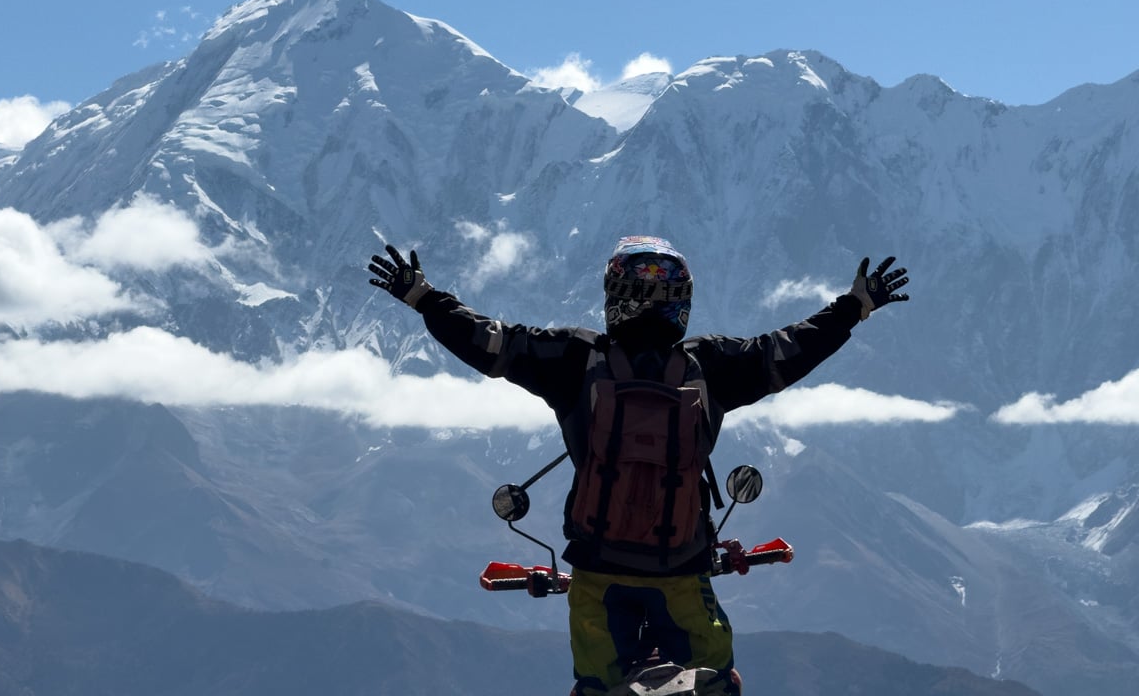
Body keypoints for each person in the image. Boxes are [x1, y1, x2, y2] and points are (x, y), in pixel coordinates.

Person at [368, 236, 909, 696]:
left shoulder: (574, 360)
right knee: (718, 680)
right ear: (682, 303)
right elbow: (789, 350)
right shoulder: (712, 365)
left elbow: (490, 342)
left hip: (596, 576)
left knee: (596, 688)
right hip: (682, 573)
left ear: (613, 297)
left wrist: (422, 296)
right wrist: (854, 306)